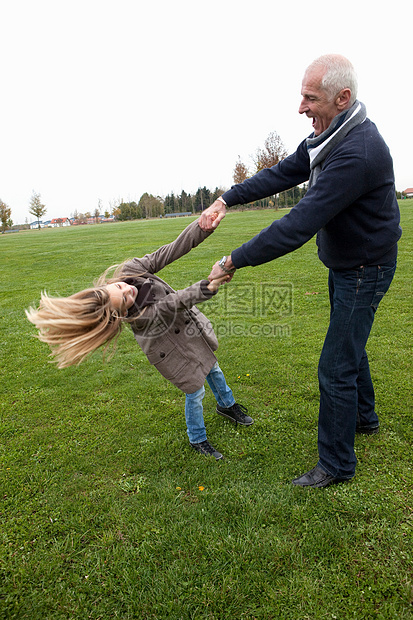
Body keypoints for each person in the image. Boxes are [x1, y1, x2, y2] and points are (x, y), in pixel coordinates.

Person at [199, 54, 401, 487]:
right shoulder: (327, 137)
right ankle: (364, 419)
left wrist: (232, 259)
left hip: (366, 267)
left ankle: (336, 465)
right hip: (349, 263)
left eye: (310, 98)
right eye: (302, 96)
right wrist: (226, 199)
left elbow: (298, 224)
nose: (301, 107)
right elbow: (284, 172)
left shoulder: (357, 153)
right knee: (351, 344)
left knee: (335, 366)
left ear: (342, 98)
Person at [26, 217, 253, 461]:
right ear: (122, 313)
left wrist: (201, 227)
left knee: (213, 367)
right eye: (124, 300)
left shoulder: (129, 271)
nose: (128, 291)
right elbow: (173, 303)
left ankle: (226, 405)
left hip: (185, 329)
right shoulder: (140, 317)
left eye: (120, 288)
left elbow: (169, 251)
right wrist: (209, 286)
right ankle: (197, 438)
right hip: (169, 350)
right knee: (194, 391)